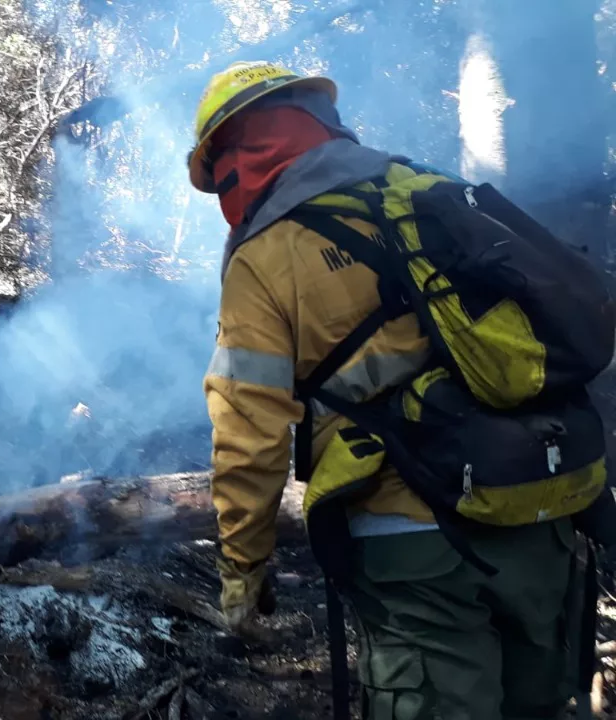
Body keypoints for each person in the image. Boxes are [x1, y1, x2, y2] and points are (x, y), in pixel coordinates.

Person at [191, 61, 581, 717]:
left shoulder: (266, 256)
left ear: (233, 155)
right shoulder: (430, 186)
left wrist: (243, 570)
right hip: (542, 506)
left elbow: (248, 436)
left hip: (412, 540)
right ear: (322, 121)